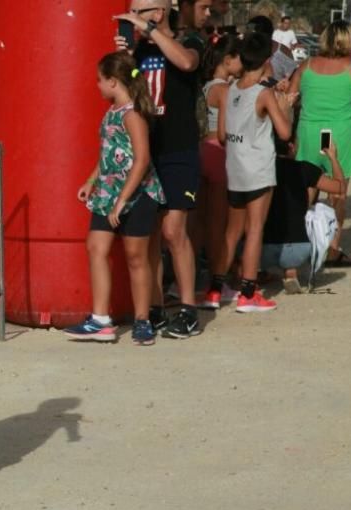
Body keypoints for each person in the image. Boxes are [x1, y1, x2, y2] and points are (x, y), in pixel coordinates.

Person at [116, 0, 206, 339]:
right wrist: (126, 55)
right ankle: (154, 307)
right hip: (147, 150)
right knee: (149, 230)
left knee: (173, 231)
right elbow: (121, 92)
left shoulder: (189, 40)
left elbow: (186, 62)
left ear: (158, 12)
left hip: (179, 148)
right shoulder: (139, 50)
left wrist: (149, 31)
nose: (131, 19)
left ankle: (188, 308)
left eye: (137, 12)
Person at [67, 52, 165, 346]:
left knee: (136, 257)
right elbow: (110, 152)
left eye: (100, 80)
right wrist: (91, 180)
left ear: (112, 81)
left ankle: (142, 320)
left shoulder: (132, 114)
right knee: (96, 247)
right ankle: (100, 320)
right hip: (107, 193)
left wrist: (123, 200)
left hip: (137, 193)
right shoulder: (111, 111)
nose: (96, 85)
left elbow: (142, 158)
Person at [212, 32, 295, 313]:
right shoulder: (264, 94)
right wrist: (284, 106)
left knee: (231, 231)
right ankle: (248, 291)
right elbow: (284, 132)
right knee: (255, 229)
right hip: (258, 168)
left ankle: (215, 288)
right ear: (266, 60)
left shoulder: (230, 88)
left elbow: (222, 135)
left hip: (235, 166)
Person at [289, 20, 351, 267]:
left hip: (310, 131)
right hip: (340, 133)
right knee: (338, 190)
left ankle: (297, 242)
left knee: (307, 188)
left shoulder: (306, 66)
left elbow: (291, 97)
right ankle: (333, 249)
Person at [263, 139, 345, 293]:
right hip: (299, 249)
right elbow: (339, 188)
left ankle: (253, 272)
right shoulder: (304, 168)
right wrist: (333, 157)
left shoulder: (262, 169)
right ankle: (291, 272)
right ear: (292, 147)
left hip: (263, 250)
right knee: (319, 210)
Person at [196, 34, 241, 308]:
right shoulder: (224, 90)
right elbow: (227, 131)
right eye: (238, 59)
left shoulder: (207, 86)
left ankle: (206, 277)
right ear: (227, 60)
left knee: (203, 221)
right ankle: (218, 279)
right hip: (221, 153)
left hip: (203, 149)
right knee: (220, 224)